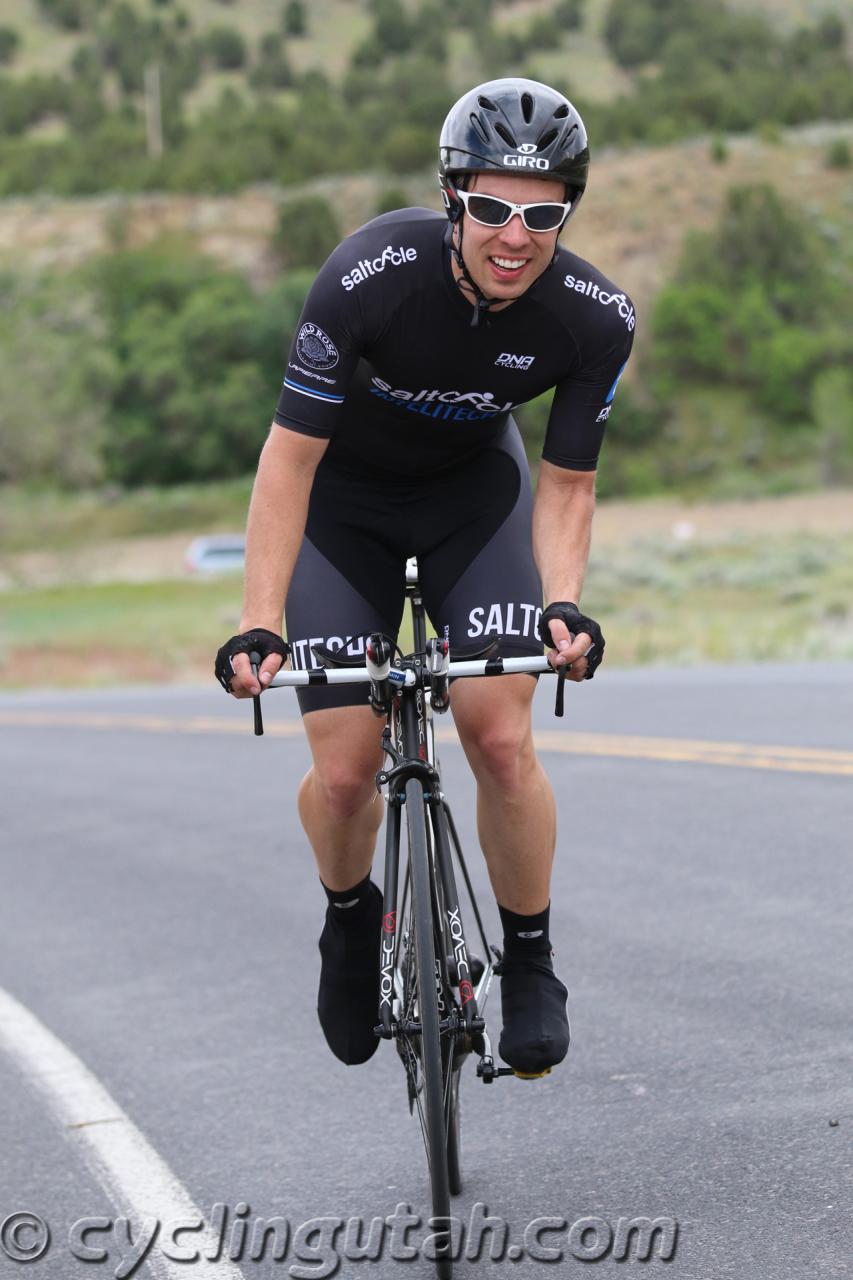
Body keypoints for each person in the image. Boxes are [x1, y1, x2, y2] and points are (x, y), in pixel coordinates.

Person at [215, 78, 635, 1076]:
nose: (513, 235)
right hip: (342, 509)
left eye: (542, 214)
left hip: (470, 504)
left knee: (497, 735)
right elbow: (288, 461)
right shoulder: (368, 275)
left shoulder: (592, 318)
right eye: (490, 207)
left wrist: (562, 602)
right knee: (348, 769)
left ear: (565, 212)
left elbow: (569, 484)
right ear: (453, 198)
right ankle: (349, 917)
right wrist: (258, 619)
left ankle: (528, 961)